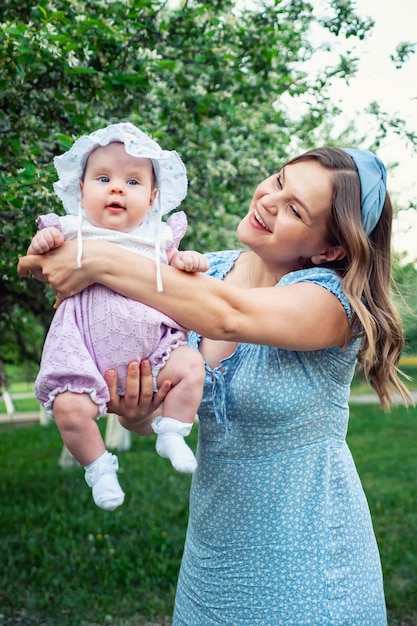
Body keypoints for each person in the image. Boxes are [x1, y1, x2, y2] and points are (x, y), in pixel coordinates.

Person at [19, 146, 413, 624]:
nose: (269, 199)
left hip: (310, 564)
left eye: (294, 208)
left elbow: (229, 316)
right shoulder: (206, 272)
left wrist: (92, 254)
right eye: (279, 180)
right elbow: (156, 413)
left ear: (329, 249)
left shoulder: (332, 305)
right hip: (213, 560)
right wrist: (139, 410)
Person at [26, 122, 208, 511]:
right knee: (68, 409)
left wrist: (185, 260)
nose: (117, 188)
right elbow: (37, 260)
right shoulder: (73, 230)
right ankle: (98, 468)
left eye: (133, 182)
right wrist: (41, 242)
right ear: (81, 190)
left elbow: (178, 269)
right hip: (84, 353)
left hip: (153, 353)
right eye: (104, 178)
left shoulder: (158, 238)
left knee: (191, 363)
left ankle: (173, 429)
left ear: (154, 198)